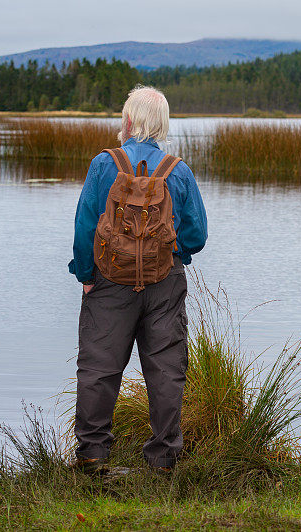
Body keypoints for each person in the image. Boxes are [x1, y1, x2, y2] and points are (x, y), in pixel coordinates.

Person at [68, 86, 208, 473]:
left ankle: (93, 457)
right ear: (163, 125)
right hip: (164, 283)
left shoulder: (104, 164)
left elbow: (84, 228)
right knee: (165, 369)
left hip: (109, 282)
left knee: (99, 369)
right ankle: (163, 459)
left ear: (128, 121)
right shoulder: (177, 170)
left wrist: (85, 276)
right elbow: (197, 235)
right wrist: (173, 255)